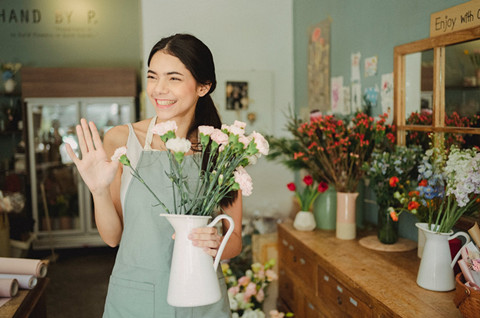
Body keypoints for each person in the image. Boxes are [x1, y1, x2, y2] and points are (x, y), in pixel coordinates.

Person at [66, 34, 242, 317]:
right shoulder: (123, 139)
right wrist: (98, 191)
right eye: (152, 76)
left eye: (173, 78)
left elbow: (234, 242)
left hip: (202, 299)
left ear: (203, 86)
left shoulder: (222, 148)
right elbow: (113, 238)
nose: (159, 89)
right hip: (135, 297)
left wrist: (215, 242)